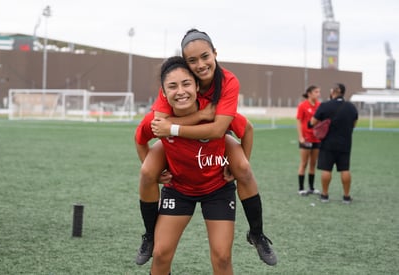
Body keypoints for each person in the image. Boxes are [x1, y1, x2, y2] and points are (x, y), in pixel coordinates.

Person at [137, 28, 276, 266]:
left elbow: (225, 129)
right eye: (192, 61)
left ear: (214, 53)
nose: (200, 65)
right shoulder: (175, 89)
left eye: (205, 57)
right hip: (180, 184)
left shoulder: (226, 84)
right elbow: (152, 130)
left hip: (215, 172)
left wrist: (175, 127)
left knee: (242, 167)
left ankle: (256, 233)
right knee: (148, 172)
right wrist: (194, 117)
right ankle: (150, 234)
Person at [137, 56, 237, 274]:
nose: (180, 91)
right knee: (161, 254)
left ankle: (257, 232)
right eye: (172, 86)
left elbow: (246, 129)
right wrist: (156, 170)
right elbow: (139, 138)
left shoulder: (214, 112)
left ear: (197, 86)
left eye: (186, 84)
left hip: (217, 189)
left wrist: (235, 168)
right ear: (163, 93)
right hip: (179, 190)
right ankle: (148, 235)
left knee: (222, 257)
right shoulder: (156, 120)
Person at [309, 83, 358, 203]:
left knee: (326, 169)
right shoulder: (351, 107)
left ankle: (325, 195)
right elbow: (354, 124)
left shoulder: (325, 105)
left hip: (327, 143)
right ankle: (346, 196)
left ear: (334, 92)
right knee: (345, 169)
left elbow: (312, 122)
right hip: (345, 143)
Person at [296, 85, 321, 196]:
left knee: (313, 164)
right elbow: (298, 121)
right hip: (305, 138)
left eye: (319, 92)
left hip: (316, 139)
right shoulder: (302, 105)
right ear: (309, 93)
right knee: (304, 163)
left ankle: (311, 188)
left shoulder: (319, 105)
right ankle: (301, 188)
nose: (318, 94)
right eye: (316, 92)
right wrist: (300, 136)